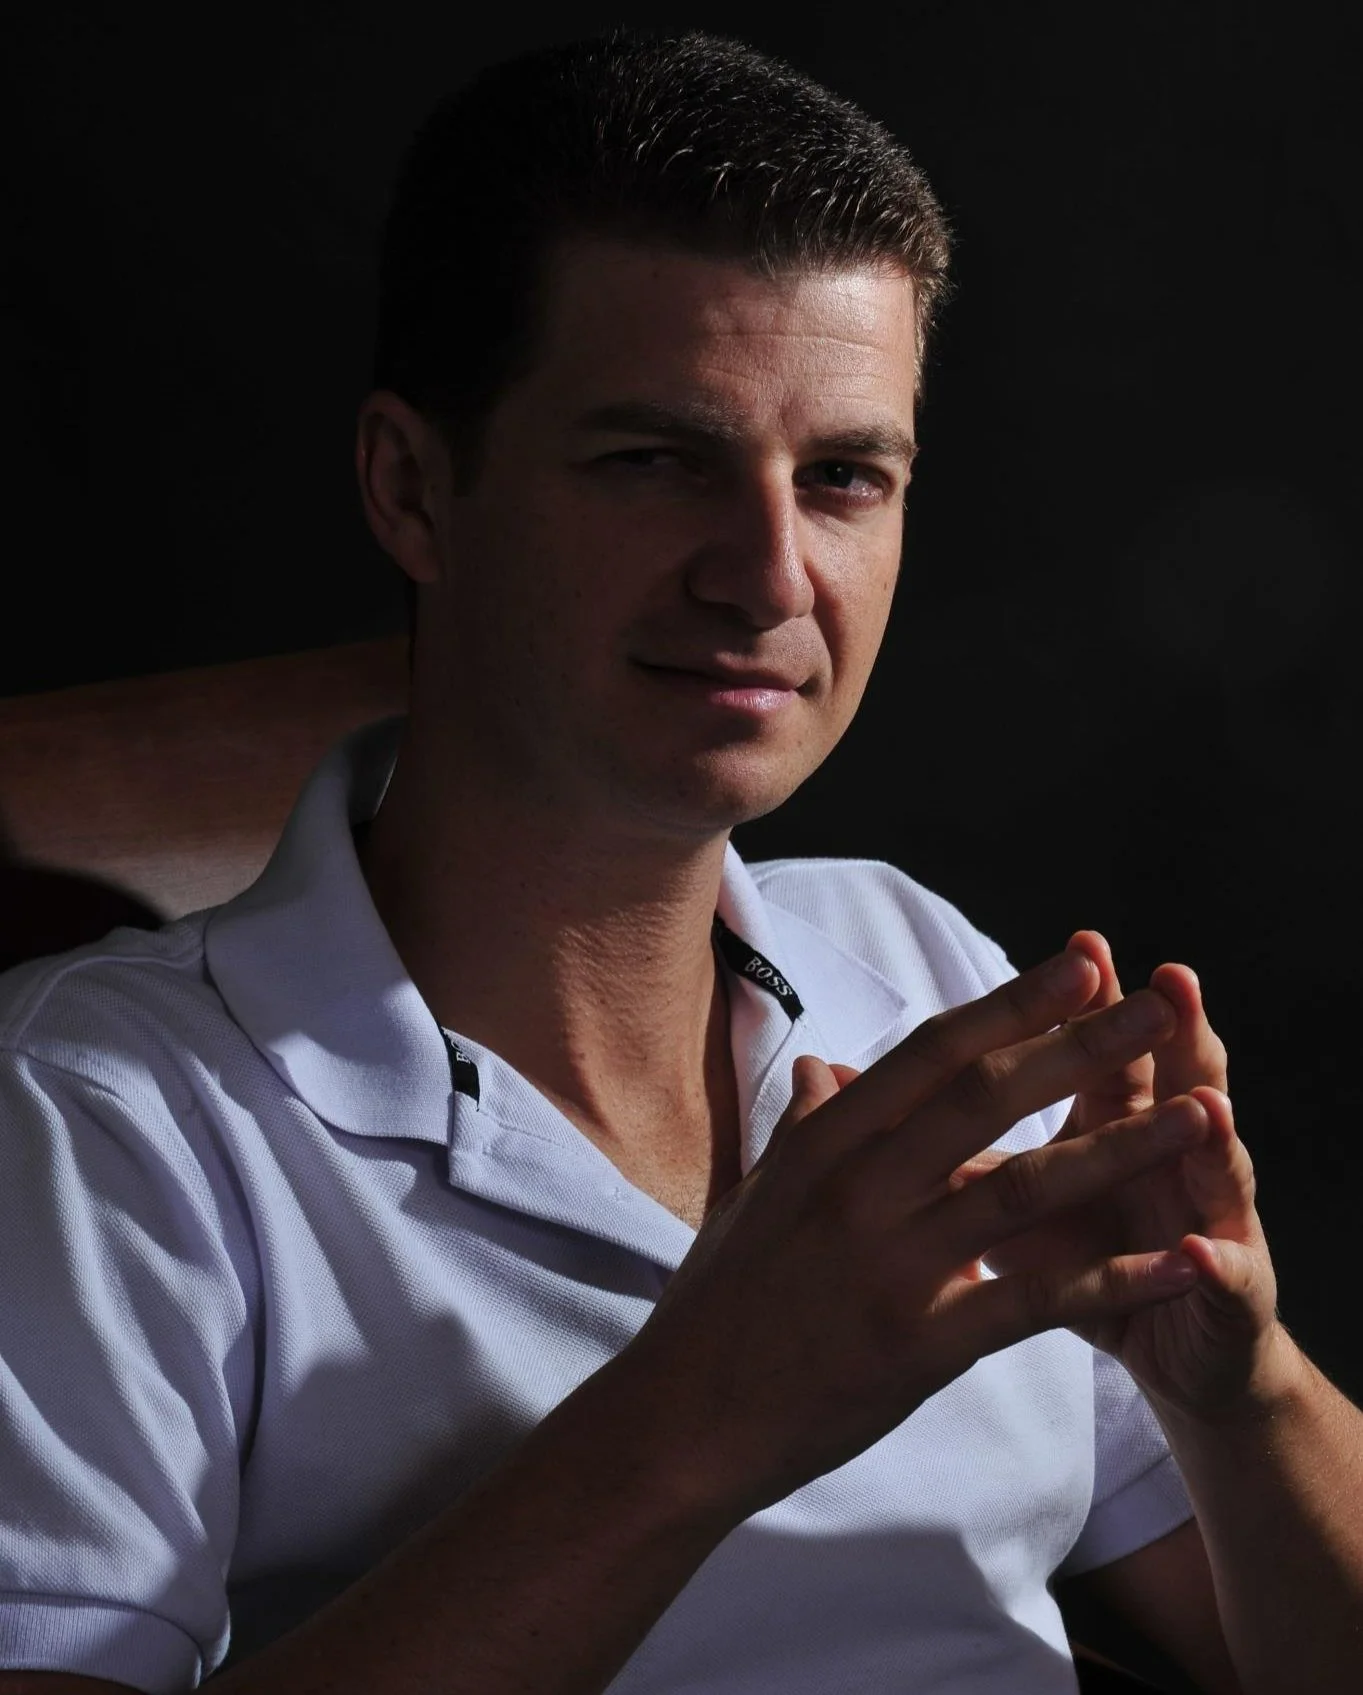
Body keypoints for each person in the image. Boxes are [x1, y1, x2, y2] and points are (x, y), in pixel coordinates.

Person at [1, 28, 1360, 1695]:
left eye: (842, 476)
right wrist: (709, 1408)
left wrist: (1240, 1390)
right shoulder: (95, 1116)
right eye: (654, 462)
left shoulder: (924, 977)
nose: (769, 575)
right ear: (412, 488)